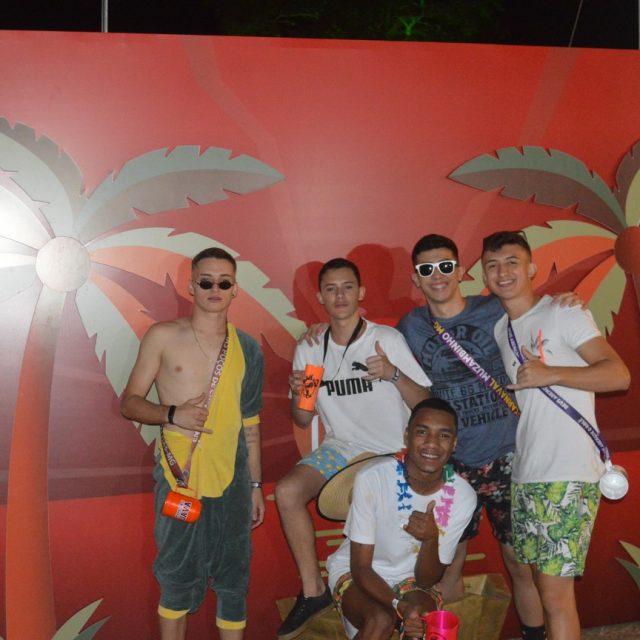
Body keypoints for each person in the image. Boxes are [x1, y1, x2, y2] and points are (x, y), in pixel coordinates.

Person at [396, 233, 547, 639]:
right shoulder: (410, 326)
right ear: (416, 278)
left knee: (520, 564)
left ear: (461, 271)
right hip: (453, 464)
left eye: (446, 266)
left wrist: (567, 300)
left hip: (508, 456)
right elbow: (363, 340)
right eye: (427, 269)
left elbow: (538, 310)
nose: (438, 275)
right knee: (446, 564)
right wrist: (319, 329)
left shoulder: (493, 308)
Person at [481, 231, 630, 640]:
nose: (502, 272)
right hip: (527, 472)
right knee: (539, 585)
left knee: (555, 597)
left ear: (531, 268)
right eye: (492, 265)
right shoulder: (502, 329)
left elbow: (618, 375)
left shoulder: (564, 312)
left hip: (567, 472)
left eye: (512, 262)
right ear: (485, 276)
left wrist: (551, 373)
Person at [276, 258, 431, 640]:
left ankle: (400, 601)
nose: (340, 296)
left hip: (391, 452)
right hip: (342, 447)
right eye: (331, 289)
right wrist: (299, 391)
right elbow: (302, 418)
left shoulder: (385, 340)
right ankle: (313, 590)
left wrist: (393, 374)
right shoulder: (312, 348)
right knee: (287, 491)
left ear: (360, 293)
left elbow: (425, 403)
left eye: (347, 287)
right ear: (320, 297)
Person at [120, 247, 265, 640]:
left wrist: (255, 485)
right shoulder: (163, 335)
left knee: (234, 577)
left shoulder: (248, 348)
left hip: (233, 479)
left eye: (224, 282)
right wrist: (172, 414)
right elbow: (129, 403)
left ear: (235, 289)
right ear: (191, 286)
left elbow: (251, 425)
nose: (215, 289)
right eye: (206, 281)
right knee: (176, 575)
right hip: (178, 477)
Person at [324, 397, 477, 640]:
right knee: (380, 620)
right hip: (357, 573)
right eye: (422, 432)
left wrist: (431, 539)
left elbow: (427, 579)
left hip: (413, 580)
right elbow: (361, 567)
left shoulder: (463, 496)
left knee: (422, 622)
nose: (432, 443)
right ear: (407, 436)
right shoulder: (373, 477)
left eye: (444, 435)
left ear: (454, 444)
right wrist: (398, 606)